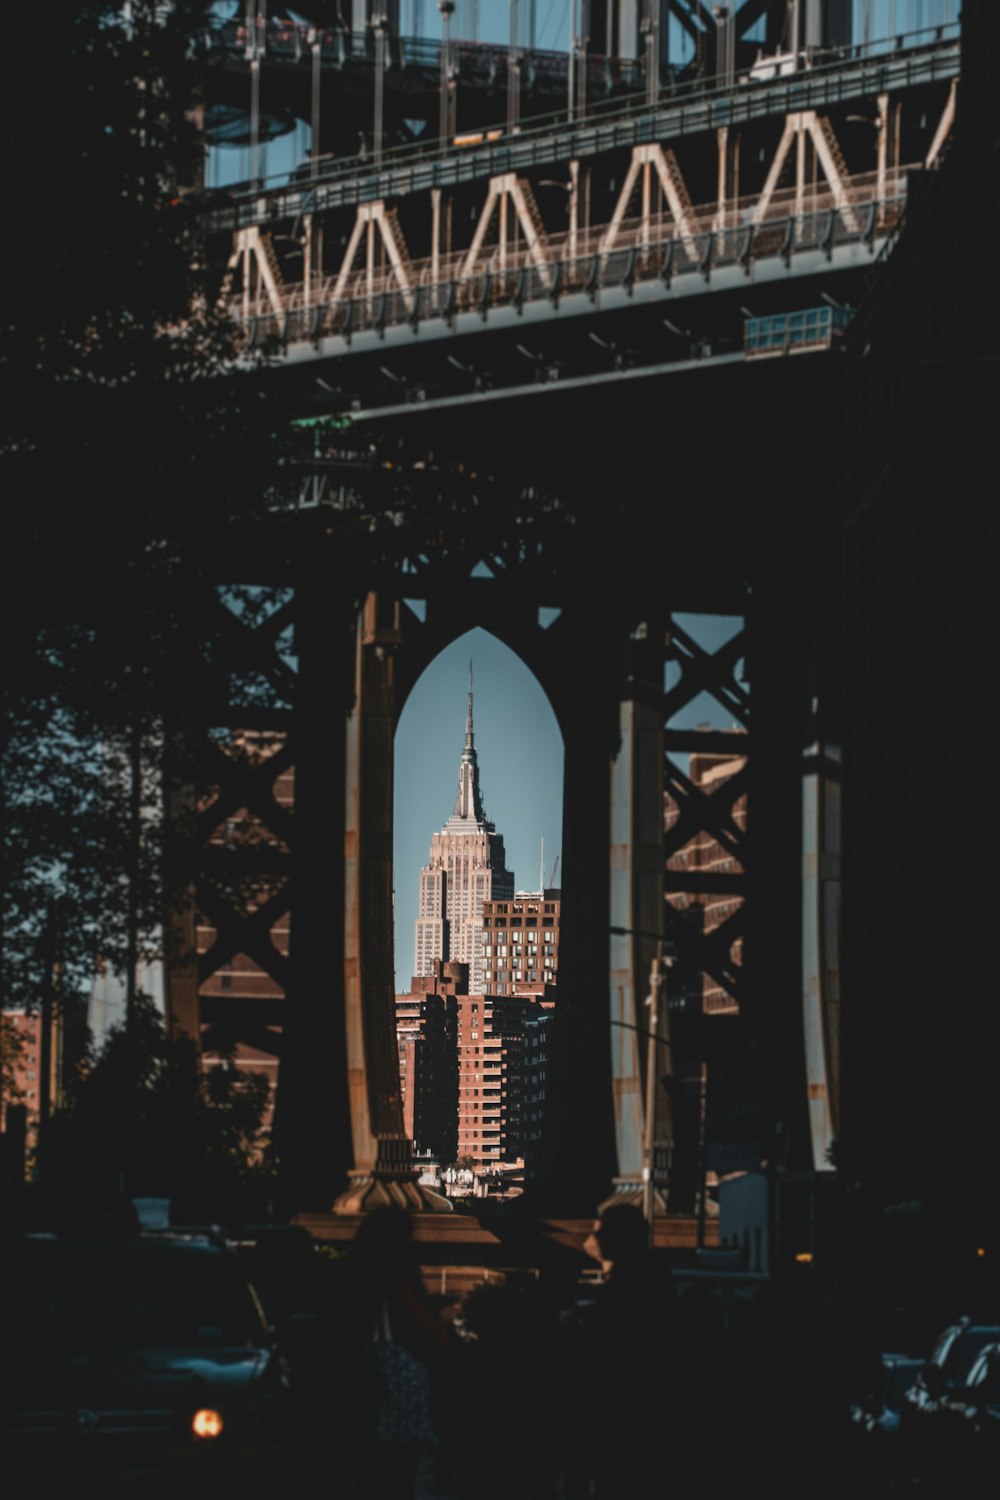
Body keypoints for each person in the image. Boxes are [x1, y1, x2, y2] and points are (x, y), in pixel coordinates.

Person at [341, 1204, 449, 1500]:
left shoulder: (353, 1276)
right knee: (401, 1474)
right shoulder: (399, 1275)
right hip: (399, 1387)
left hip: (360, 1389)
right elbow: (425, 1327)